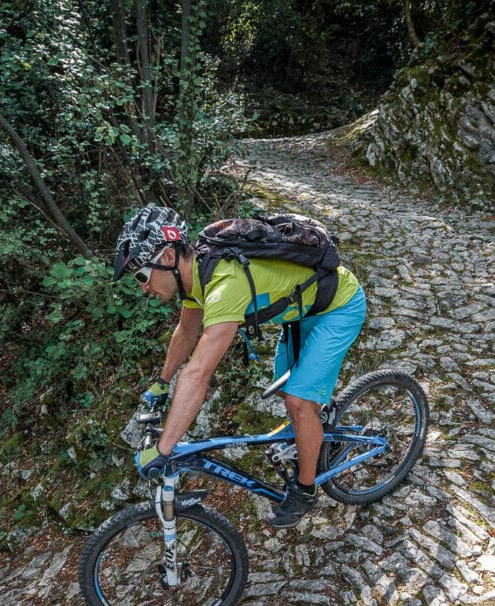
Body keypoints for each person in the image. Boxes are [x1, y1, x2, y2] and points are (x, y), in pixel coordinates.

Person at [112, 204, 367, 528]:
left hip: (338, 307)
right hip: (303, 309)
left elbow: (199, 372)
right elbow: (187, 331)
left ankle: (306, 491)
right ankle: (318, 426)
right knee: (289, 392)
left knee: (300, 402)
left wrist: (165, 448)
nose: (143, 287)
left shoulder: (224, 282)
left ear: (166, 258)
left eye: (141, 276)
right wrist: (162, 382)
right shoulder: (198, 276)